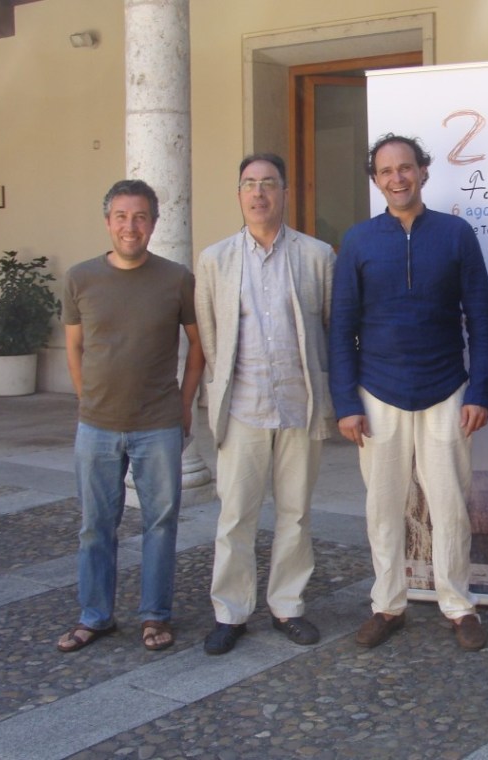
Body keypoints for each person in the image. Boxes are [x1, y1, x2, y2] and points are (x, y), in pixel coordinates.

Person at [330, 134, 488, 651]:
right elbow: (340, 328)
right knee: (383, 507)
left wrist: (481, 391)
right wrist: (346, 403)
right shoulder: (358, 241)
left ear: (424, 171)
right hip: (377, 391)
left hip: (446, 387)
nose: (397, 178)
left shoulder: (455, 234)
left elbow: (481, 319)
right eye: (386, 171)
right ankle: (388, 604)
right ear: (375, 180)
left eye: (406, 168)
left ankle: (457, 604)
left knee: (449, 506)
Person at [196, 152, 336, 655]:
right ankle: (230, 613)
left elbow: (329, 329)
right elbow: (211, 336)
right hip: (243, 409)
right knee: (235, 516)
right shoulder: (215, 260)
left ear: (284, 192)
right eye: (249, 184)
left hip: (300, 406)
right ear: (238, 194)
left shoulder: (318, 256)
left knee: (296, 514)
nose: (259, 193)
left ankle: (287, 606)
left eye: (269, 183)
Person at [57, 179, 204, 653]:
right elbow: (75, 347)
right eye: (121, 216)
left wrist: (184, 406)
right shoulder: (81, 278)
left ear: (154, 224)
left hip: (158, 423)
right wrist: (86, 400)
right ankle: (95, 615)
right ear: (107, 222)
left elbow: (199, 344)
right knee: (96, 525)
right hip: (96, 425)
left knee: (161, 524)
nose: (130, 226)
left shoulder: (175, 278)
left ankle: (154, 615)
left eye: (140, 217)